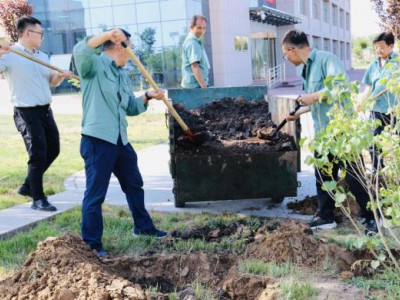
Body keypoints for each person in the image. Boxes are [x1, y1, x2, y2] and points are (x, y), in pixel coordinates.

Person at [73, 28, 167, 257]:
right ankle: (92, 244)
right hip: (98, 140)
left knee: (134, 183)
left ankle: (143, 228)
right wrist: (106, 35)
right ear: (119, 48)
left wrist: (146, 97)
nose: (131, 54)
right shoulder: (94, 65)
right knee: (95, 194)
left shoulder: (121, 75)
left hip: (120, 140)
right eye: (130, 48)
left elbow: (131, 108)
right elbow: (80, 51)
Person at [281, 30, 376, 232]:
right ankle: (326, 217)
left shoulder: (326, 59)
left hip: (341, 130)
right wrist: (298, 113)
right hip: (323, 133)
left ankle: (372, 218)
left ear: (291, 50)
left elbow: (340, 89)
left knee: (353, 175)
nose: (286, 58)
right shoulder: (306, 69)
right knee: (323, 175)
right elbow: (319, 102)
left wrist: (313, 96)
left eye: (284, 54)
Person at [0, 16, 72, 212]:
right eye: (40, 33)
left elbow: (53, 82)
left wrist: (60, 75)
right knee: (38, 153)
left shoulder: (42, 56)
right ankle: (38, 198)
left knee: (53, 150)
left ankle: (27, 185)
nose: (42, 37)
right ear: (27, 33)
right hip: (26, 112)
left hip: (46, 111)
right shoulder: (9, 54)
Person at [360, 32, 399, 172]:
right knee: (374, 141)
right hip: (376, 109)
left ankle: (397, 171)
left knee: (398, 140)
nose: (378, 50)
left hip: (395, 110)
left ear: (391, 46)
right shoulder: (373, 65)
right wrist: (362, 102)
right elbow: (369, 86)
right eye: (376, 47)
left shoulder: (398, 62)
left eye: (381, 47)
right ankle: (377, 171)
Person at [181, 15, 210, 88]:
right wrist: (204, 87)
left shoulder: (194, 41)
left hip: (194, 86)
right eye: (199, 28)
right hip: (195, 87)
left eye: (204, 28)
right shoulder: (193, 43)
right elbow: (195, 66)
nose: (202, 31)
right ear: (191, 27)